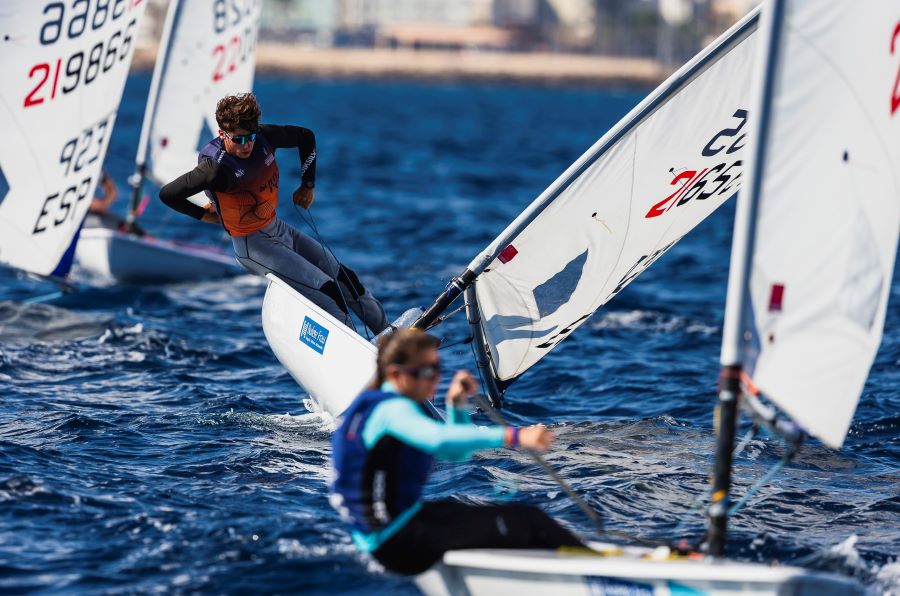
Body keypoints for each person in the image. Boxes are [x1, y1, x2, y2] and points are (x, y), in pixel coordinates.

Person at [330, 329, 585, 576]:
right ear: (396, 374)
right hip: (398, 541)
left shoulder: (378, 405)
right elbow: (439, 439)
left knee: (477, 513)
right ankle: (595, 573)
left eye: (437, 369)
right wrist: (516, 436)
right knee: (529, 520)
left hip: (389, 533)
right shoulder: (392, 411)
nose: (435, 379)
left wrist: (456, 407)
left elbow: (455, 455)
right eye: (427, 371)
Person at [158, 93, 388, 334]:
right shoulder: (213, 169)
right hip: (253, 245)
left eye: (251, 137)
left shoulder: (264, 136)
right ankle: (356, 353)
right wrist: (203, 216)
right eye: (239, 139)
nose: (247, 145)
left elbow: (305, 137)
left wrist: (307, 185)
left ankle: (388, 335)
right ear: (222, 134)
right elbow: (168, 194)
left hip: (278, 229)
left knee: (345, 279)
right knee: (327, 291)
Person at [84, 170, 146, 236]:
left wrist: (102, 204)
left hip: (98, 216)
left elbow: (112, 191)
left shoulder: (96, 169)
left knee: (130, 228)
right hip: (81, 219)